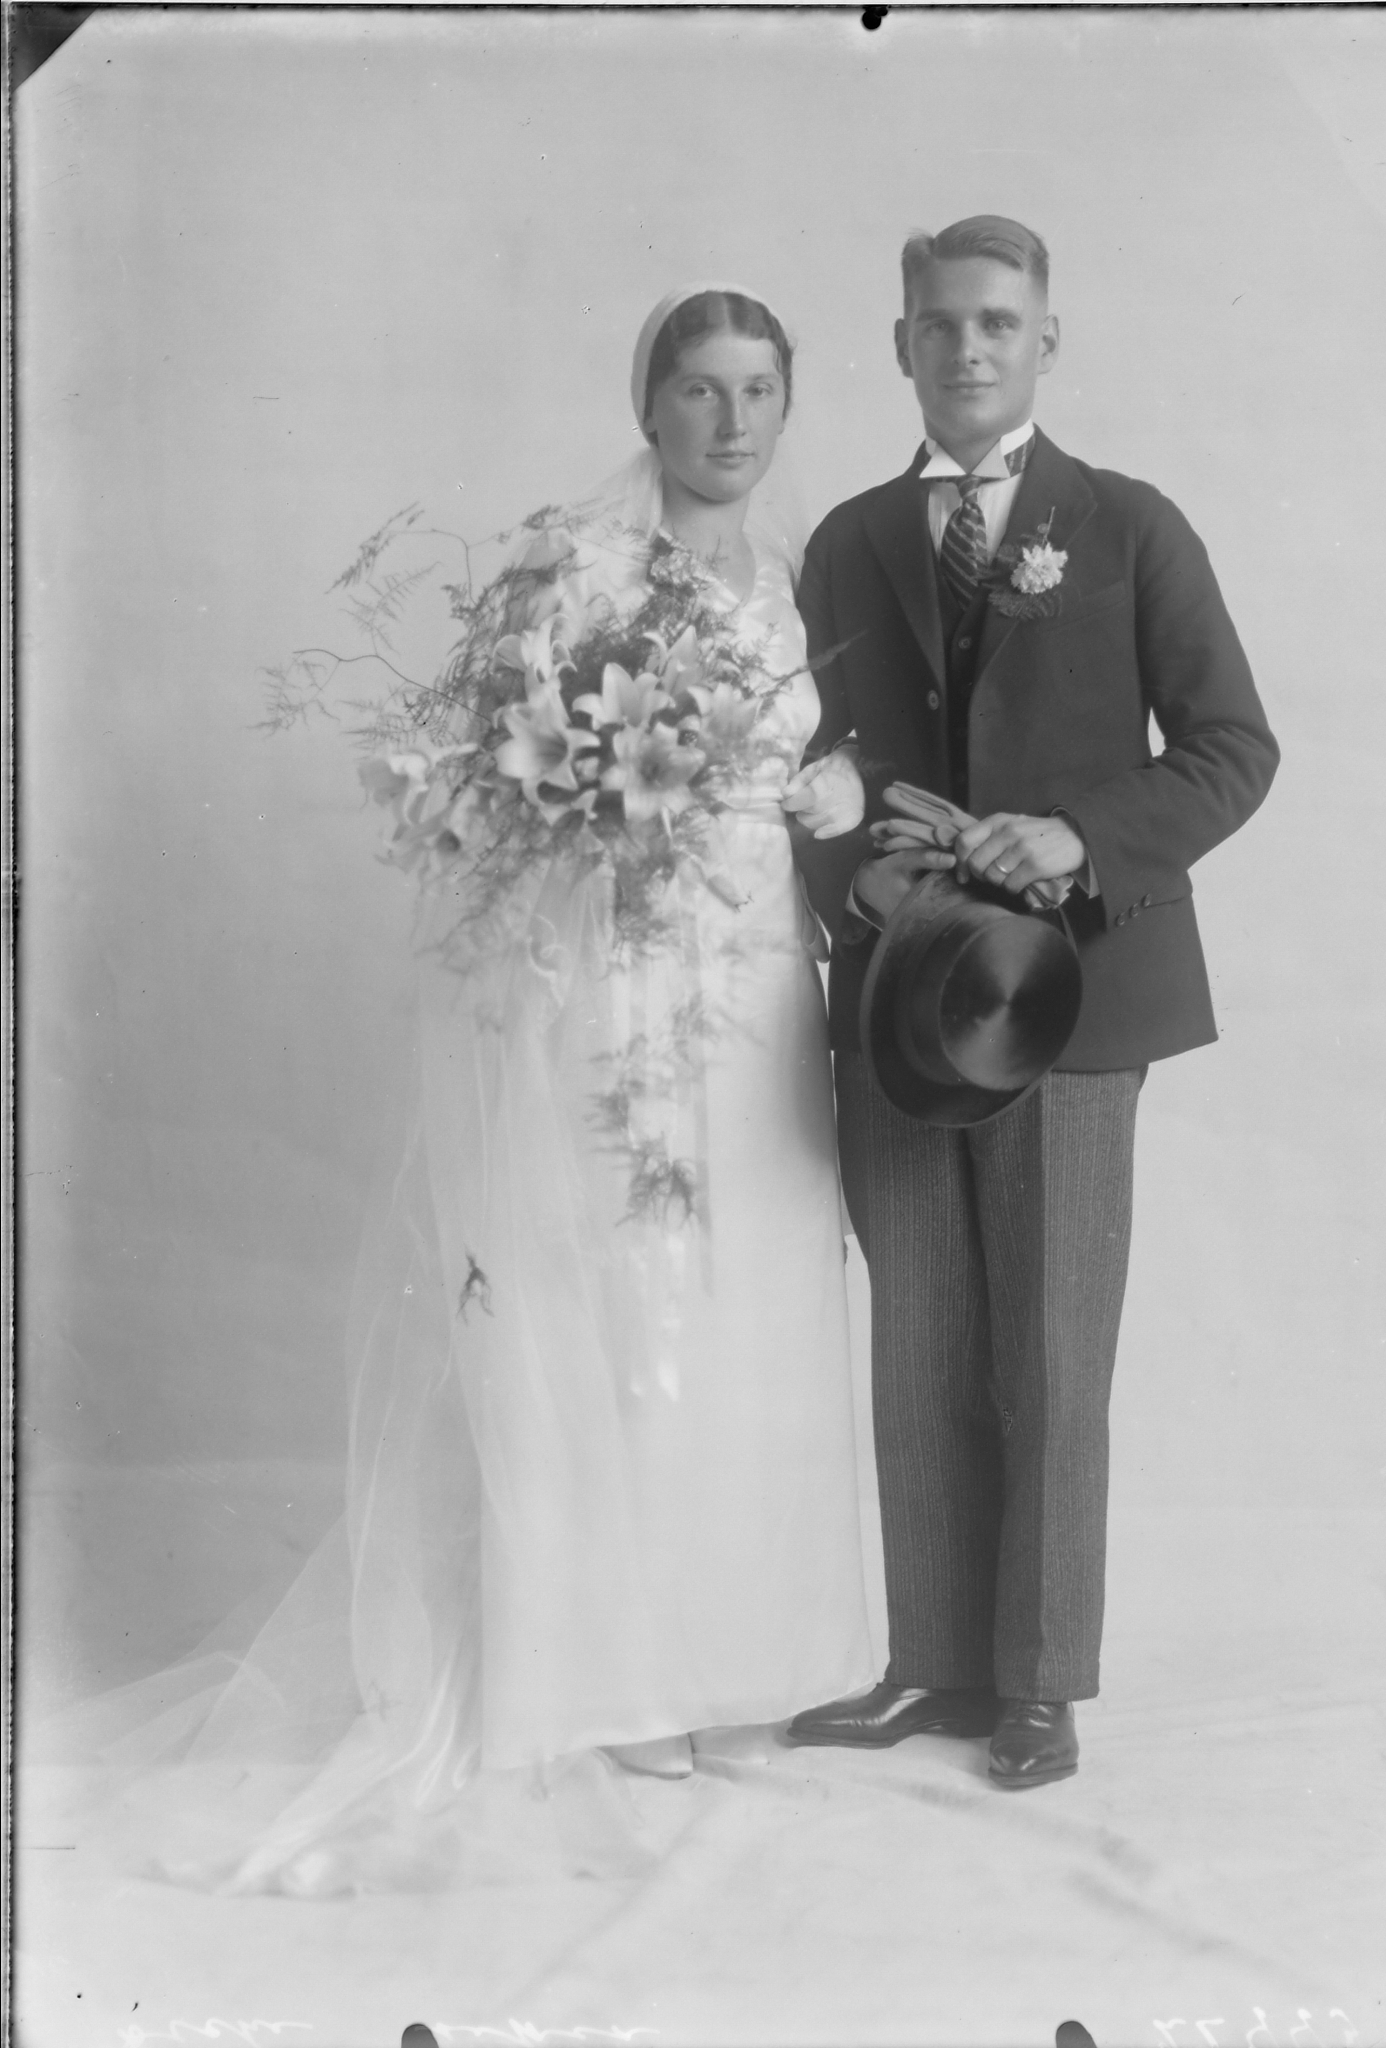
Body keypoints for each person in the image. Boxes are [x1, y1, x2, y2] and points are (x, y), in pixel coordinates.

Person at [52, 285, 876, 1894]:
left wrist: (829, 789)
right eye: (700, 390)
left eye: (758, 390)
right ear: (648, 407)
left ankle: (739, 1658)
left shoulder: (792, 582)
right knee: (630, 1296)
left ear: (789, 406)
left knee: (760, 1295)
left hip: (763, 982)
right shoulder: (581, 571)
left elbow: (799, 776)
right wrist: (596, 819)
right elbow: (512, 783)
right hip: (622, 978)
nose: (731, 422)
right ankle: (623, 1671)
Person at [786, 216, 1279, 1788]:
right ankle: (933, 1665)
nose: (969, 348)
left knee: (1052, 1353)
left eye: (998, 322)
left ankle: (1041, 1681)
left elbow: (1234, 749)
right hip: (899, 999)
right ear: (902, 346)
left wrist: (1079, 838)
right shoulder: (848, 540)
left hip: (1076, 1001)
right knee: (919, 1342)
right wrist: (855, 882)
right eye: (940, 324)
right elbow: (797, 767)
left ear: (1046, 341)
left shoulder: (1129, 525)